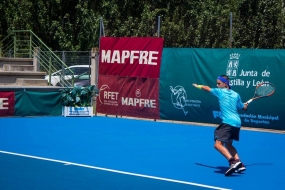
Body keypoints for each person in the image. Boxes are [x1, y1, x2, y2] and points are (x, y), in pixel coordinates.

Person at [192, 75, 248, 176]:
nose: (217, 85)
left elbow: (206, 88)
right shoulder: (236, 95)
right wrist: (245, 106)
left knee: (217, 145)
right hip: (237, 123)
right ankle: (240, 164)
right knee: (229, 145)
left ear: (225, 84)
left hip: (228, 122)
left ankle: (232, 162)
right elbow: (242, 107)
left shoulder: (220, 92)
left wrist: (198, 86)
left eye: (219, 83)